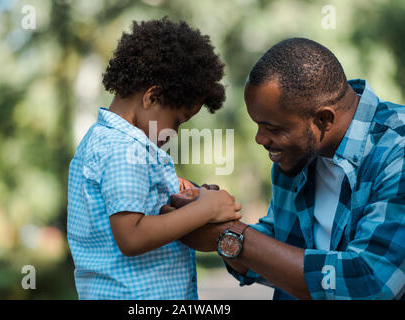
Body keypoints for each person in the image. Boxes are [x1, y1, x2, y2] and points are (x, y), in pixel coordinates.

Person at [175, 38, 405, 300]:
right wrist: (214, 220)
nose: (260, 139)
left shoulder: (397, 151)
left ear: (324, 119)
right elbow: (279, 248)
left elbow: (370, 283)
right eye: (258, 125)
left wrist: (232, 236)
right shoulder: (297, 155)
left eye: (273, 128)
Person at [67, 18, 242, 300]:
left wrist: (181, 191)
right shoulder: (123, 149)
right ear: (152, 96)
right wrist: (205, 211)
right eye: (178, 120)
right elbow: (132, 236)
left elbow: (133, 205)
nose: (175, 133)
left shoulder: (104, 141)